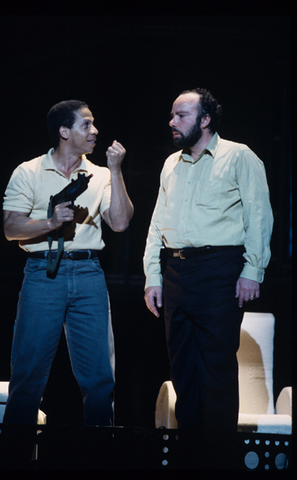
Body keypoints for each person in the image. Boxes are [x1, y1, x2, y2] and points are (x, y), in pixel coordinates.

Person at [0, 99, 134, 461]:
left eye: (93, 125)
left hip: (88, 272)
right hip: (43, 273)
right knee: (28, 377)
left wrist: (116, 170)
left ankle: (99, 460)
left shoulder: (101, 175)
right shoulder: (28, 171)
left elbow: (120, 222)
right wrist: (49, 223)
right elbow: (11, 228)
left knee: (100, 380)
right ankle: (14, 461)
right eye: (86, 125)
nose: (95, 131)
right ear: (64, 132)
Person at [143, 89, 273, 445]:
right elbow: (157, 223)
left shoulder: (238, 156)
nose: (172, 122)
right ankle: (190, 460)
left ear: (205, 120)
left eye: (181, 115)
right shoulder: (172, 163)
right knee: (183, 373)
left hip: (219, 269)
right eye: (172, 115)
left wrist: (252, 271)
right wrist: (153, 276)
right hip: (175, 272)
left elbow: (259, 215)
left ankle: (218, 461)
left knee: (216, 372)